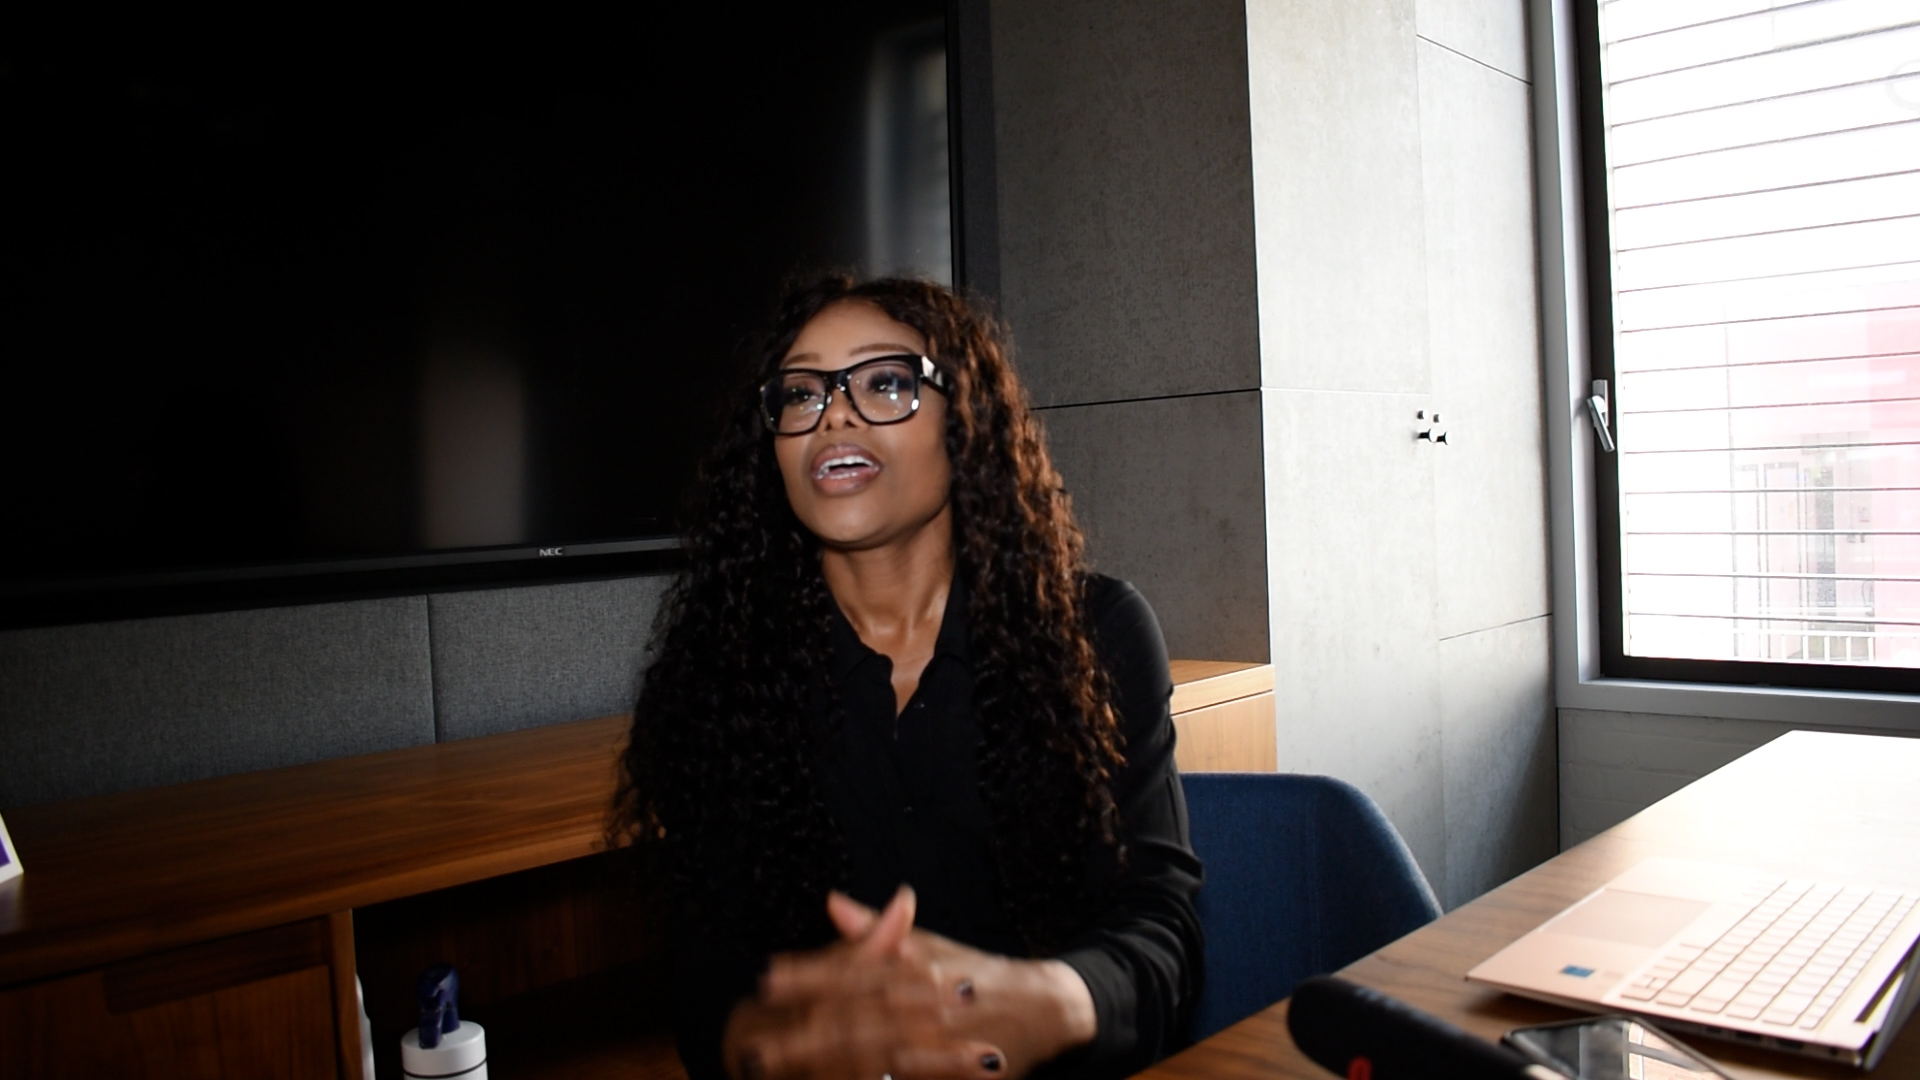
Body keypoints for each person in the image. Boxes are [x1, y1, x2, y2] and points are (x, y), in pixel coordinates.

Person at [612, 276, 1202, 1080]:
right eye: (800, 393)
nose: (836, 415)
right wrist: (780, 1038)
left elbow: (1161, 935)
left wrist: (1049, 1000)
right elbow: (708, 999)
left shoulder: (1095, 634)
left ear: (964, 420)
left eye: (885, 381)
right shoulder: (715, 678)